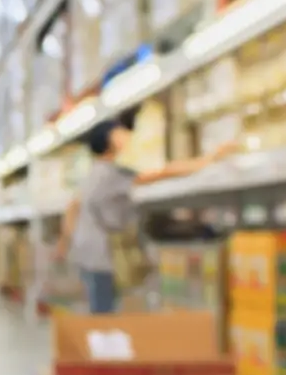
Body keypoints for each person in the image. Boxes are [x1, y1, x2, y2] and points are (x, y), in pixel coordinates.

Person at [55, 118, 235, 314]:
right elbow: (161, 172)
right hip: (102, 254)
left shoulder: (93, 173)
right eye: (120, 131)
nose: (127, 135)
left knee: (99, 305)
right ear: (111, 139)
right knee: (104, 311)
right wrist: (208, 160)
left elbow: (72, 206)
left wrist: (68, 239)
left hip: (87, 252)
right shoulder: (112, 173)